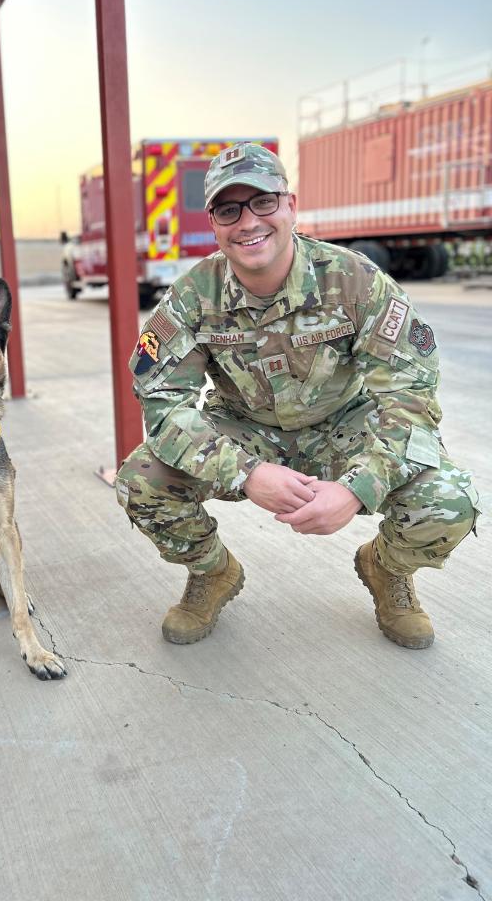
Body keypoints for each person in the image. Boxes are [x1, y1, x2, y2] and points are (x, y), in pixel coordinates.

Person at [115, 143, 480, 649]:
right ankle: (211, 572)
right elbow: (163, 405)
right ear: (215, 223)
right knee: (141, 480)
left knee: (449, 498)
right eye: (229, 209)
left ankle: (386, 569)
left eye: (263, 202)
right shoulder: (191, 297)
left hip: (345, 425)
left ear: (290, 205)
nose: (248, 222)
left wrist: (357, 490)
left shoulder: (356, 282)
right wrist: (245, 473)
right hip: (244, 429)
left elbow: (409, 399)